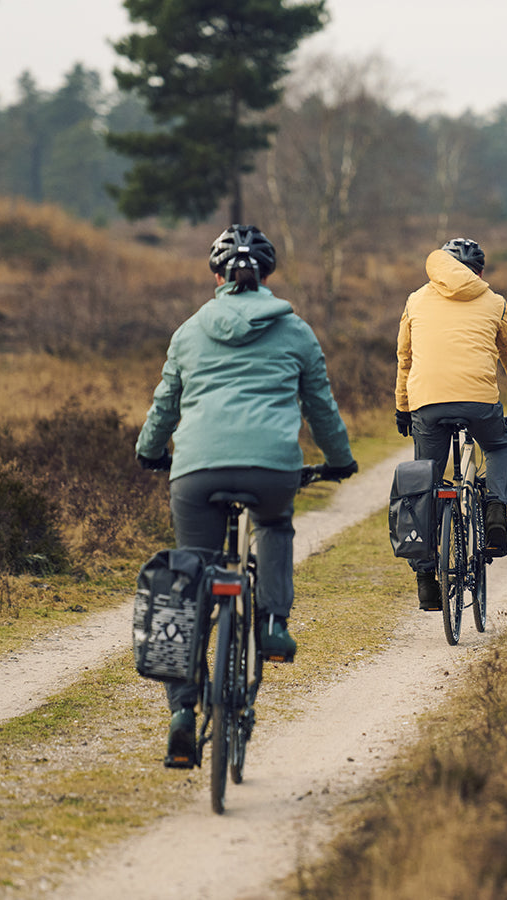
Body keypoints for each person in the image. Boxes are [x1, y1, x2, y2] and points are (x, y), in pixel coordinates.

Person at [136, 224, 357, 768]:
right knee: (275, 525)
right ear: (267, 277)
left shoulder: (189, 331)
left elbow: (166, 403)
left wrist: (149, 451)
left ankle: (183, 714)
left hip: (197, 473)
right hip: (271, 469)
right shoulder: (296, 331)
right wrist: (340, 460)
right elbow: (321, 407)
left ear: (217, 276)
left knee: (189, 583)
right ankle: (275, 624)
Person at [395, 237, 507, 611]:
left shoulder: (416, 299)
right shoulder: (494, 302)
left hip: (426, 404)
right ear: (478, 271)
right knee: (498, 445)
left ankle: (426, 576)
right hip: (479, 402)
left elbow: (405, 359)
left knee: (424, 479)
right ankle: (494, 509)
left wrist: (402, 407)